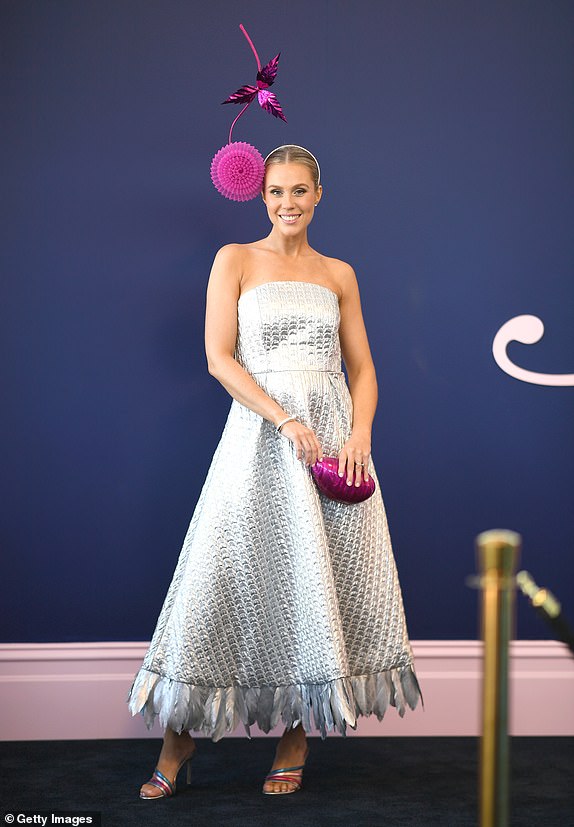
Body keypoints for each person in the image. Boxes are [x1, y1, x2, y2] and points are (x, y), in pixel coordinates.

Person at [128, 144, 422, 797]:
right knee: (220, 577)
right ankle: (178, 740)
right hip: (263, 434)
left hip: (332, 447)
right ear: (261, 197)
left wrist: (362, 432)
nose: (287, 203)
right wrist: (284, 418)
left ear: (319, 195)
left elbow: (364, 369)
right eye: (275, 192)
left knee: (311, 583)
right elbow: (219, 357)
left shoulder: (339, 272)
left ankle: (295, 736)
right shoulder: (234, 260)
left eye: (299, 191)